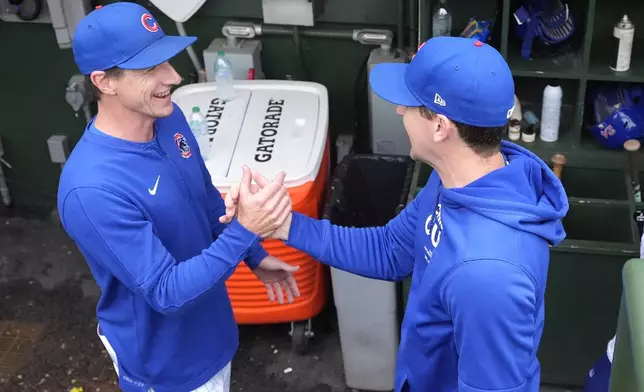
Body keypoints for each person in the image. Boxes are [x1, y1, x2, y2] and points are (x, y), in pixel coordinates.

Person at [222, 36, 570, 391]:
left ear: (440, 127)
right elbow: (390, 249)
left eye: (409, 103)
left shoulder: (490, 274)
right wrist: (284, 224)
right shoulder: (463, 179)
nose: (399, 111)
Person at [57, 3, 298, 392]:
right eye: (150, 68)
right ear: (104, 81)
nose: (173, 76)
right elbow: (166, 292)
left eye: (165, 60)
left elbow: (204, 197)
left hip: (214, 335)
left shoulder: (168, 118)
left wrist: (253, 253)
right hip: (165, 370)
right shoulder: (91, 190)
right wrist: (246, 231)